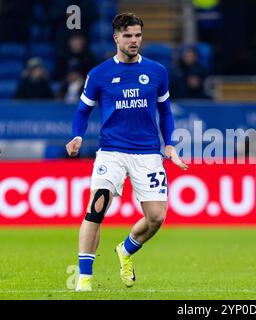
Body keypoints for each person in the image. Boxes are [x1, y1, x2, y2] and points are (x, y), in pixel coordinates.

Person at [65, 12, 188, 292]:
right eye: (129, 36)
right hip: (111, 152)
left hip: (147, 154)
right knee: (96, 208)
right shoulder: (99, 74)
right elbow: (82, 111)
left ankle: (126, 250)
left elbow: (165, 111)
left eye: (138, 36)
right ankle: (84, 279)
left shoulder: (157, 71)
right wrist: (76, 136)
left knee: (156, 217)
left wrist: (169, 143)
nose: (134, 41)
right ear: (116, 37)